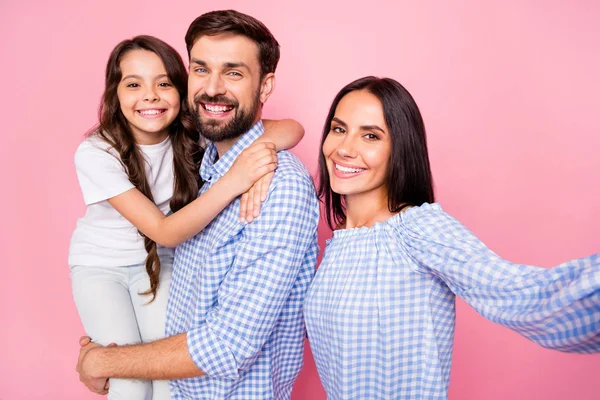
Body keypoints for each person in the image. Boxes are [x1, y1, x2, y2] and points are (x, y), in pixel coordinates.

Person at [303, 76, 600, 400]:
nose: (344, 149)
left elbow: (523, 293)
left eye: (370, 136)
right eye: (339, 129)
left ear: (399, 149)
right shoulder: (337, 245)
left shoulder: (418, 229)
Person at [75, 10, 320, 400]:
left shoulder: (275, 186)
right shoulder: (207, 164)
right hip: (115, 282)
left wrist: (104, 361)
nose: (213, 88)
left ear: (265, 85)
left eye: (234, 73)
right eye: (201, 70)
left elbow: (227, 345)